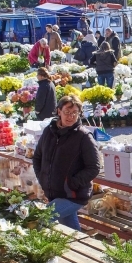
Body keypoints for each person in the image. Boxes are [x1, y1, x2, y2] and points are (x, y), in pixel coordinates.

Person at [32, 95, 101, 230]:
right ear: (59, 111)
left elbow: (94, 167)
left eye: (75, 113)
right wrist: (42, 178)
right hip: (54, 192)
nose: (71, 116)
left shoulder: (84, 137)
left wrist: (72, 183)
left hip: (73, 195)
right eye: (67, 112)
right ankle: (83, 250)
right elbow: (37, 157)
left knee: (40, 219)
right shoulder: (49, 131)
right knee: (71, 229)